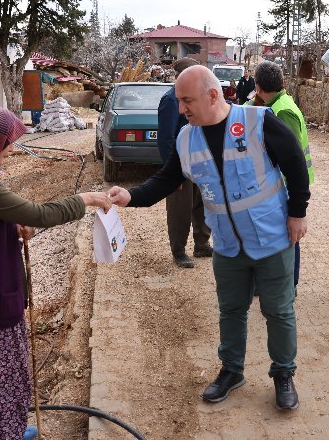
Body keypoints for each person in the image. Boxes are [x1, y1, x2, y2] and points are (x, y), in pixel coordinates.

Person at [108, 65, 310, 410]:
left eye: (187, 101)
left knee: (278, 311)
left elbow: (295, 163)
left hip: (272, 238)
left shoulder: (259, 121)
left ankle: (283, 374)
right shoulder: (187, 138)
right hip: (229, 246)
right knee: (231, 310)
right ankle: (232, 370)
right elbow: (167, 179)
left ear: (212, 95)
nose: (182, 108)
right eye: (179, 101)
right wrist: (130, 196)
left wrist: (298, 212)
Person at [0, 105, 111, 440]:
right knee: (0, 385)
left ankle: (9, 430)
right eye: (7, 142)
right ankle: (5, 434)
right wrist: (87, 198)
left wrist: (10, 226)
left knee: (6, 377)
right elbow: (39, 213)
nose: (11, 150)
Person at [252, 60, 315, 291]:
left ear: (258, 86)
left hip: (287, 185)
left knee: (289, 236)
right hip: (280, 184)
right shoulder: (273, 104)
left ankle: (289, 284)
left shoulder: (283, 110)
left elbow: (292, 157)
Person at [157, 57, 212, 268]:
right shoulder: (171, 100)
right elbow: (165, 139)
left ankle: (201, 244)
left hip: (200, 163)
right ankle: (178, 250)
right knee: (180, 210)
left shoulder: (195, 97)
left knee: (202, 203)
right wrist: (171, 174)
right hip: (181, 166)